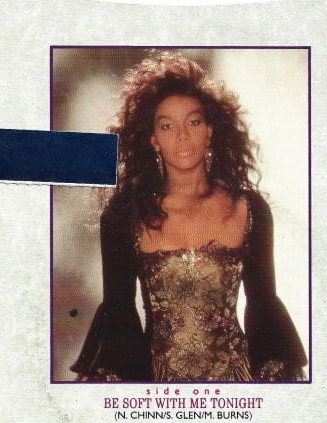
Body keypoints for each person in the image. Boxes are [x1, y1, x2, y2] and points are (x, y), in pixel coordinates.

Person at [71, 52, 307, 382]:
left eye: (193, 122)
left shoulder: (247, 209)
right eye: (167, 126)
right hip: (158, 392)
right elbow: (119, 313)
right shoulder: (124, 216)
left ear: (209, 131)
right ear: (153, 139)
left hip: (237, 388)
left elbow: (263, 306)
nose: (182, 136)